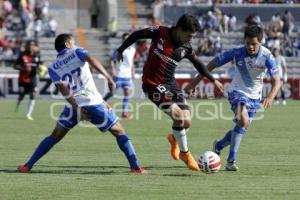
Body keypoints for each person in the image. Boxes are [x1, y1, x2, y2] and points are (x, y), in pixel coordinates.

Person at [17, 34, 146, 174]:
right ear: (67, 44)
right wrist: (109, 78)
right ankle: (135, 167)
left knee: (54, 136)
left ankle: (28, 165)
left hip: (71, 106)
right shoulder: (77, 51)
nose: (74, 44)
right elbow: (92, 59)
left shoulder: (53, 67)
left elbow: (62, 88)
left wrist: (76, 107)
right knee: (119, 131)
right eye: (73, 42)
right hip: (93, 102)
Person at [116, 14, 223, 171]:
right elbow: (138, 34)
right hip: (152, 84)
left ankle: (174, 138)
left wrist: (213, 80)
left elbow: (199, 64)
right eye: (188, 35)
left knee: (186, 122)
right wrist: (121, 49)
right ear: (179, 29)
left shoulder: (186, 48)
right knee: (178, 116)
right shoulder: (160, 32)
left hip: (171, 84)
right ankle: (185, 154)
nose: (190, 39)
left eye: (192, 36)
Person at [185, 25, 281, 171]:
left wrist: (271, 96)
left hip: (255, 98)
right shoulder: (237, 52)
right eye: (248, 43)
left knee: (242, 126)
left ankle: (218, 145)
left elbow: (277, 80)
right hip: (237, 92)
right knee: (243, 121)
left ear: (260, 42)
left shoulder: (267, 56)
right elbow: (210, 65)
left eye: (254, 44)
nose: (250, 47)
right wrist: (193, 83)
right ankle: (231, 161)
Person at [103, 32, 135, 119]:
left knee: (127, 93)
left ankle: (124, 113)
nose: (126, 40)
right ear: (122, 40)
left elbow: (131, 62)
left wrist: (133, 71)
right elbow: (112, 60)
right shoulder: (119, 49)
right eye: (124, 39)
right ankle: (100, 103)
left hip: (127, 76)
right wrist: (113, 70)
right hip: (119, 75)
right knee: (112, 92)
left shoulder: (133, 50)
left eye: (127, 39)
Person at [14, 40, 41, 120]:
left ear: (34, 46)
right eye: (28, 45)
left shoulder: (37, 55)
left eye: (32, 45)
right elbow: (15, 66)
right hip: (23, 78)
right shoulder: (22, 55)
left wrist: (40, 69)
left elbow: (39, 66)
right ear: (26, 46)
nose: (30, 47)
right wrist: (22, 68)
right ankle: (17, 107)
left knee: (32, 95)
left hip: (32, 78)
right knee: (21, 94)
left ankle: (28, 114)